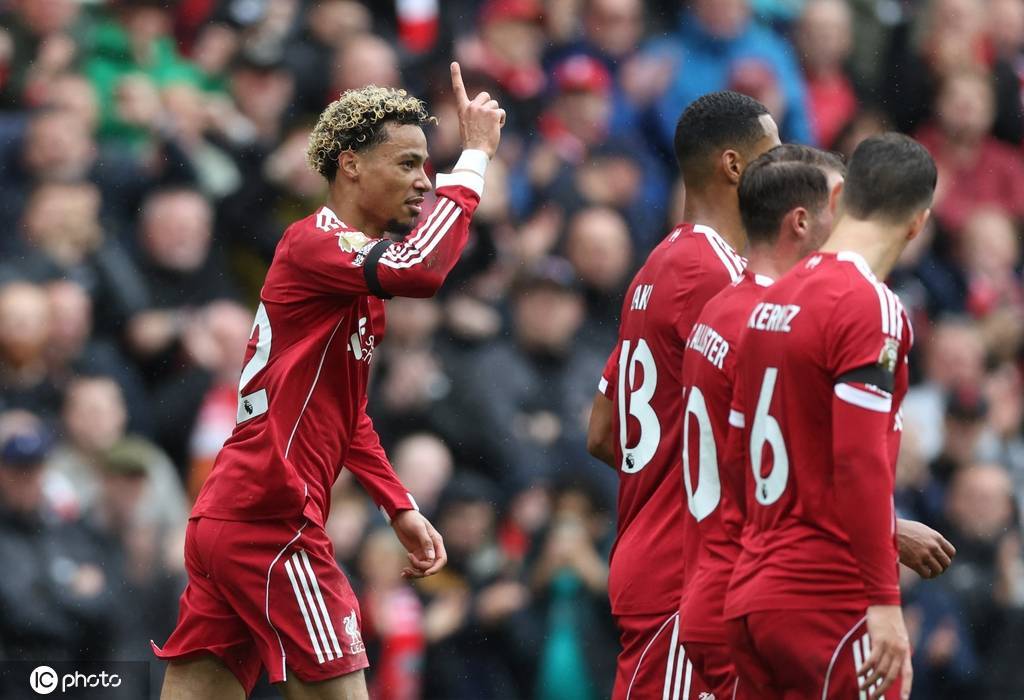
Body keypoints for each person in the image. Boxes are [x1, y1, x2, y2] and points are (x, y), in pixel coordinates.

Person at [153, 63, 505, 700]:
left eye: (429, 167)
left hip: (233, 513)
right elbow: (422, 270)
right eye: (408, 164)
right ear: (351, 166)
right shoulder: (316, 243)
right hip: (272, 519)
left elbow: (350, 415)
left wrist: (397, 504)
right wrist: (473, 160)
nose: (425, 182)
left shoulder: (350, 282)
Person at [678, 145, 955, 698]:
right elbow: (858, 459)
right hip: (826, 596)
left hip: (749, 593)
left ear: (840, 197)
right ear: (918, 223)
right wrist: (885, 602)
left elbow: (738, 457)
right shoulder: (870, 304)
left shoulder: (769, 302)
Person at [585, 91, 780, 700]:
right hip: (685, 572)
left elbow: (603, 433)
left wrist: (666, 480)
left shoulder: (657, 266)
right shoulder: (716, 276)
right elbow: (760, 430)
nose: (785, 168)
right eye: (773, 154)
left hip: (661, 558)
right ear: (734, 166)